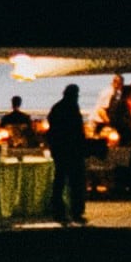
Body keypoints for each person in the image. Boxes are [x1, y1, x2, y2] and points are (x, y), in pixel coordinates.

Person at [45, 83, 93, 225]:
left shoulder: (57, 108)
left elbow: (53, 129)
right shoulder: (72, 108)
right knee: (75, 182)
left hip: (61, 150)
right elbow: (77, 131)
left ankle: (59, 211)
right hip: (72, 151)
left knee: (60, 181)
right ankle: (76, 211)